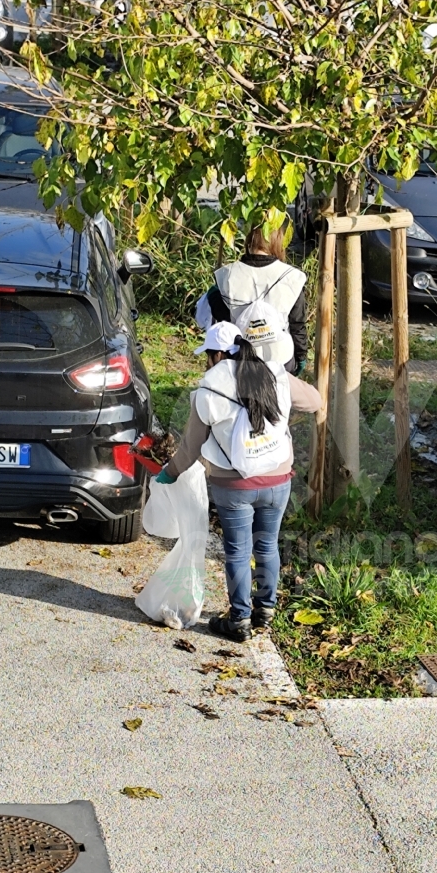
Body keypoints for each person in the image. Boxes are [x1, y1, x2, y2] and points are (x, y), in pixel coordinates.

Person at [155, 321, 322, 642]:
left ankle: (240, 619)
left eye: (208, 354)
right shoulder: (273, 373)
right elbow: (314, 402)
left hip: (233, 486)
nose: (207, 360)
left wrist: (169, 474)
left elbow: (190, 448)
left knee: (237, 550)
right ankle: (265, 612)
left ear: (218, 354)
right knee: (267, 544)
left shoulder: (209, 386)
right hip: (277, 479)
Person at [195, 224, 308, 375]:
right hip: (282, 359)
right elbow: (297, 324)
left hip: (240, 358)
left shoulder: (226, 275)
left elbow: (224, 319)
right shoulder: (292, 277)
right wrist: (301, 358)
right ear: (278, 242)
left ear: (248, 241)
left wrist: (213, 294)